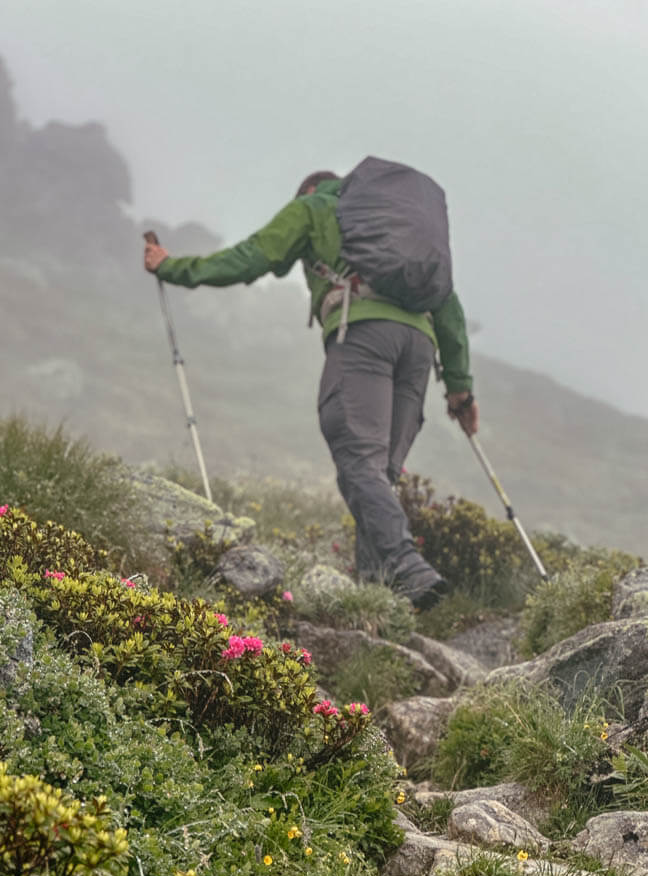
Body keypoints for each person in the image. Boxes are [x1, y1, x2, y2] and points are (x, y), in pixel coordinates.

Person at [144, 167, 479, 610]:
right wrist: (461, 390)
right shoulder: (397, 227)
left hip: (364, 336)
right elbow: (449, 304)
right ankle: (379, 600)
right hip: (419, 347)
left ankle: (407, 566)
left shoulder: (315, 207)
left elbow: (252, 257)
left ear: (307, 190)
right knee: (378, 475)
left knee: (360, 462)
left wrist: (172, 267)